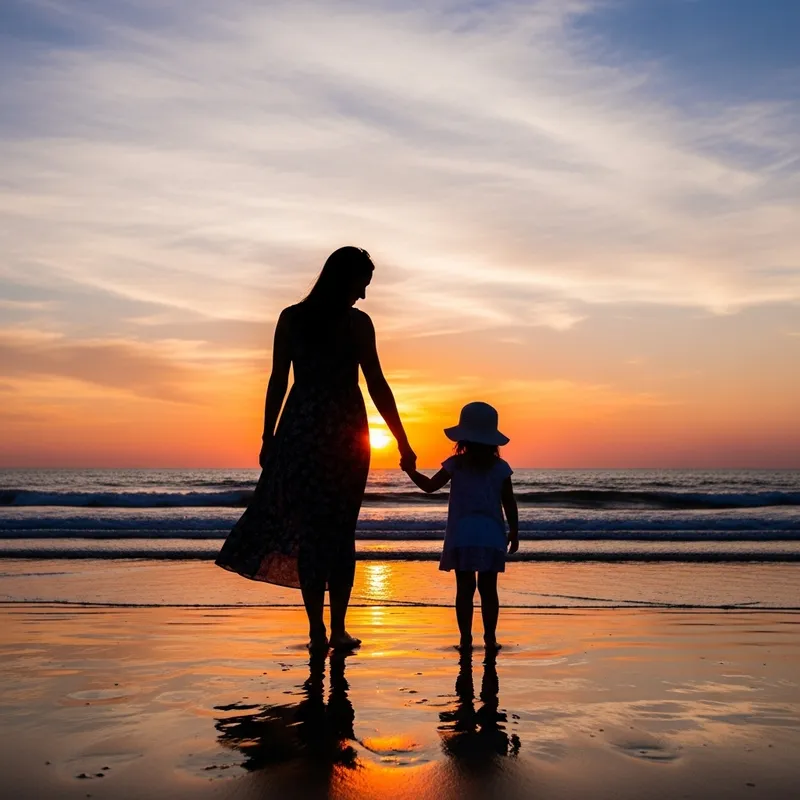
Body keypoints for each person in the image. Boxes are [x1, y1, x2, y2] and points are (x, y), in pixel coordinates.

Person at [216, 247, 416, 651]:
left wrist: (268, 436)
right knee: (341, 533)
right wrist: (402, 440)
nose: (363, 295)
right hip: (344, 432)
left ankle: (316, 631)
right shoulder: (356, 324)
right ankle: (336, 629)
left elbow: (278, 382)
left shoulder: (292, 319)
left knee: (313, 533)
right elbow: (376, 383)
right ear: (345, 279)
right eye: (362, 285)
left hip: (302, 430)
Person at [401, 402, 518, 651]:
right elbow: (509, 501)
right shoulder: (500, 468)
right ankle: (490, 639)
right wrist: (515, 532)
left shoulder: (456, 464)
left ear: (463, 438)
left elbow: (430, 487)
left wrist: (411, 471)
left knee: (465, 589)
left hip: (462, 534)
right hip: (491, 535)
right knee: (488, 590)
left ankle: (465, 640)